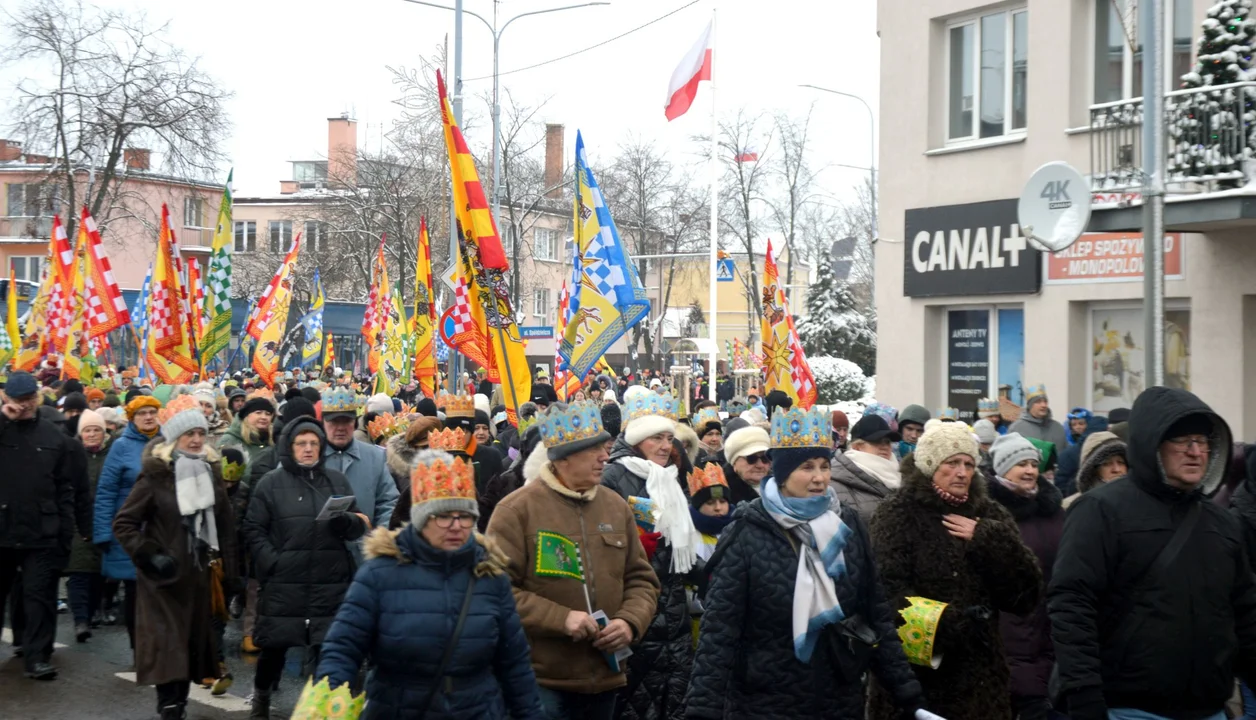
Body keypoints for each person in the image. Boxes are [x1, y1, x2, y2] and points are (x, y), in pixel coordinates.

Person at [686, 407, 925, 719]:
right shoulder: (746, 532)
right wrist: (702, 709)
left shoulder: (846, 525)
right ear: (783, 474)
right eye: (807, 467)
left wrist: (906, 689)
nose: (819, 477)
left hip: (838, 698)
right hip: (765, 702)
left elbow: (875, 612)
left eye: (825, 466)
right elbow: (720, 631)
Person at [1049, 387, 1256, 720]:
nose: (1195, 452)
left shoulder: (1222, 522)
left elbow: (1246, 613)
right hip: (1128, 709)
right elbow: (1071, 604)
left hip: (1210, 709)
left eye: (1203, 441)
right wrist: (1083, 695)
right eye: (1182, 441)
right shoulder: (1101, 510)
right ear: (1152, 444)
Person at [317, 445, 545, 718]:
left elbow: (515, 664)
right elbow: (342, 648)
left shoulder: (489, 575)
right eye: (443, 516)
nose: (456, 525)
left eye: (464, 516)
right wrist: (329, 702)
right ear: (421, 521)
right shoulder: (379, 575)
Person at [487, 402, 660, 720]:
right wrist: (560, 619)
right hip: (540, 682)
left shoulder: (616, 507)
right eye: (593, 450)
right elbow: (495, 590)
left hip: (606, 677)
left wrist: (629, 622)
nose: (605, 457)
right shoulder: (516, 511)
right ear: (563, 457)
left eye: (604, 447)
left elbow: (641, 579)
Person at [867, 422, 1042, 720]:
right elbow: (886, 593)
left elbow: (1025, 597)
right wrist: (950, 624)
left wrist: (989, 539)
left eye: (968, 463)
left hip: (982, 678)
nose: (962, 472)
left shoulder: (990, 515)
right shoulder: (896, 513)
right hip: (918, 678)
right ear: (930, 465)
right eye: (952, 463)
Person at [112, 409, 238, 720]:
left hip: (198, 579)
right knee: (170, 651)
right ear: (174, 439)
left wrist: (232, 575)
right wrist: (150, 555)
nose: (196, 440)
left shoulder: (210, 472)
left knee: (189, 651)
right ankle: (170, 708)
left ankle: (177, 707)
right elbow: (124, 523)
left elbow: (225, 528)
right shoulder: (156, 475)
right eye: (189, 434)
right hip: (162, 583)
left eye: (200, 433)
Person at [243, 417, 368, 718]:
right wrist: (273, 561)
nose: (309, 449)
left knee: (328, 649)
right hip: (285, 581)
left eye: (314, 443)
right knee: (275, 647)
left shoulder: (336, 480)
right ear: (290, 446)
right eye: (302, 443)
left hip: (329, 581)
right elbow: (253, 529)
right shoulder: (271, 483)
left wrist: (345, 521)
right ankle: (261, 696)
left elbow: (357, 524)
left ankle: (322, 707)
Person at [0, 372, 86, 680]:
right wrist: (4, 419)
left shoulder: (53, 436)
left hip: (41, 530)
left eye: (29, 399)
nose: (24, 406)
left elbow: (65, 489)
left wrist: (65, 533)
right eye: (18, 400)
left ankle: (38, 656)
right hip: (3, 529)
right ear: (6, 398)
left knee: (40, 596)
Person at [985, 433, 1065, 720]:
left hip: (1050, 631)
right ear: (1002, 468)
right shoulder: (987, 512)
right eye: (1021, 464)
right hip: (1007, 635)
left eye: (1033, 463)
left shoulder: (1055, 512)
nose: (1030, 470)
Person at [94, 394, 163, 652]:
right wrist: (103, 532)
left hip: (162, 529)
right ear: (132, 418)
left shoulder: (167, 443)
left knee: (160, 590)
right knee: (135, 592)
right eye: (141, 413)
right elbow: (106, 491)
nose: (147, 417)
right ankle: (139, 649)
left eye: (151, 412)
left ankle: (157, 646)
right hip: (130, 531)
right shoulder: (121, 447)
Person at [320, 388, 400, 531]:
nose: (340, 428)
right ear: (323, 423)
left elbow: (389, 502)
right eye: (334, 422)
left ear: (355, 423)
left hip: (363, 548)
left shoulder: (375, 457)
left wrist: (378, 540)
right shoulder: (310, 456)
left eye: (346, 421)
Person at [66, 409, 112, 644]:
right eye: (88, 430)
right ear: (80, 433)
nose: (92, 434)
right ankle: (80, 620)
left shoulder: (111, 455)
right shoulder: (72, 454)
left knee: (97, 575)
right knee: (79, 572)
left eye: (97, 430)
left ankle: (92, 611)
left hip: (105, 520)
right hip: (77, 520)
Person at [602, 386, 680, 500]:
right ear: (637, 441)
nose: (667, 446)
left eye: (670, 439)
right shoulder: (610, 477)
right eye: (657, 438)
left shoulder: (670, 474)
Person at [829, 413, 903, 522]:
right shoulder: (834, 484)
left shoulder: (900, 476)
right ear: (857, 447)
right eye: (877, 441)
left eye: (887, 441)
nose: (885, 446)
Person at [1061, 431, 1127, 509]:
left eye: (1121, 462)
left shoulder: (1139, 501)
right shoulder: (1072, 507)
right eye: (1107, 463)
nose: (1117, 469)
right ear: (1092, 470)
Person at [1054, 413, 1110, 498]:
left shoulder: (1110, 450)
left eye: (1081, 424)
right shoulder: (1070, 452)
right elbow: (1061, 484)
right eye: (1074, 424)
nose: (1078, 427)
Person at [219, 393, 276, 473]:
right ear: (247, 416)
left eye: (268, 414)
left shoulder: (274, 440)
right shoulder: (230, 440)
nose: (264, 417)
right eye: (258, 412)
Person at [1009, 384, 1068, 458]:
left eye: (1045, 401)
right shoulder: (1016, 429)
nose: (1043, 405)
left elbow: (1065, 455)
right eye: (1038, 402)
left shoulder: (1058, 428)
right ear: (1030, 405)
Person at [721, 424, 771, 504]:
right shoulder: (722, 495)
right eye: (751, 459)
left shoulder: (782, 487)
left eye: (765, 458)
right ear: (734, 463)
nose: (760, 465)